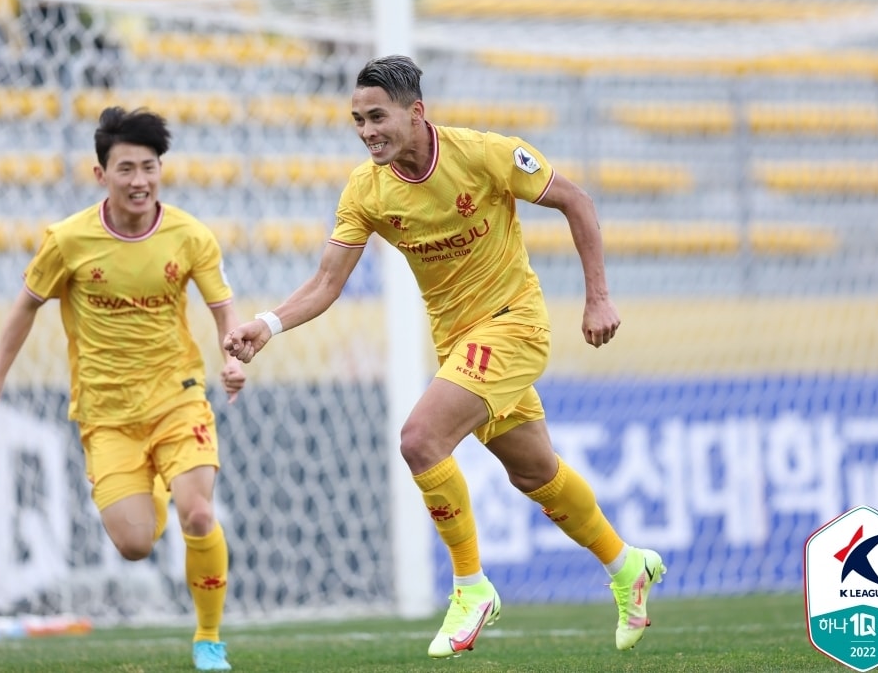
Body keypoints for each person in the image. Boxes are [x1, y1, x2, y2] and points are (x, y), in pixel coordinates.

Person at [223, 54, 666, 659]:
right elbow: (327, 283)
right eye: (357, 120)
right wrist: (268, 324)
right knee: (535, 472)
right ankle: (626, 565)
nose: (367, 131)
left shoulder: (486, 154)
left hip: (514, 325)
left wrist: (598, 299)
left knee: (419, 439)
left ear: (416, 112)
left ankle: (470, 587)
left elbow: (578, 201)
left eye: (377, 116)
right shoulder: (366, 190)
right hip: (460, 344)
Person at [0, 106, 243, 672]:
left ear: (160, 170)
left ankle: (209, 637)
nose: (139, 180)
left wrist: (232, 357)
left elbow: (222, 306)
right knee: (135, 544)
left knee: (198, 514)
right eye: (126, 169)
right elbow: (24, 308)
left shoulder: (190, 236)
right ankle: (158, 487)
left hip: (178, 396)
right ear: (101, 175)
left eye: (149, 167)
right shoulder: (67, 241)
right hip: (106, 414)